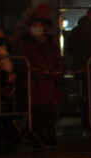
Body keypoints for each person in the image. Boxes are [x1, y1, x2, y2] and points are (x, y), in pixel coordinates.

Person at [19, 18, 63, 147]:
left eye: (40, 26)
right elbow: (25, 63)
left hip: (49, 84)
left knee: (50, 114)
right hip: (37, 85)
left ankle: (50, 138)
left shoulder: (50, 44)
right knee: (38, 113)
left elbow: (58, 58)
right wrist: (40, 72)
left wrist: (56, 71)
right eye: (35, 26)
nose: (38, 29)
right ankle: (40, 139)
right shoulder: (27, 45)